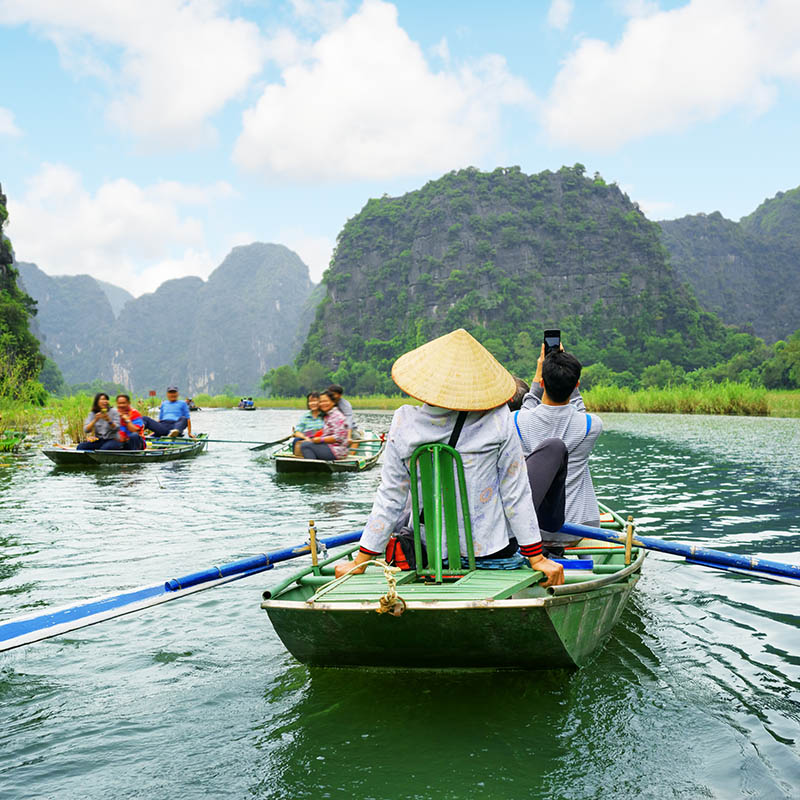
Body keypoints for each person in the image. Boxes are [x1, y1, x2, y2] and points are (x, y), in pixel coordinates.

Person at [334, 329, 564, 588]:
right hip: (491, 553)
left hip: (428, 554)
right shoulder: (499, 420)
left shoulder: (405, 422)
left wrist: (360, 561)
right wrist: (536, 558)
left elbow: (391, 497)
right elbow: (515, 492)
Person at [514, 345, 603, 553]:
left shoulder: (516, 421)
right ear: (576, 386)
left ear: (542, 383)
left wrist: (539, 374)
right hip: (577, 531)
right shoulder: (592, 426)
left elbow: (528, 404)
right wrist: (569, 375)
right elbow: (579, 411)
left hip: (533, 532)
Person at [296, 391, 349, 461]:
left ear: (333, 402)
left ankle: (313, 467)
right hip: (329, 446)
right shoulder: (328, 415)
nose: (323, 404)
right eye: (321, 402)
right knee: (300, 441)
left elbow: (338, 438)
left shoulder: (337, 416)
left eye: (326, 401)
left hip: (337, 451)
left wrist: (320, 439)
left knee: (305, 445)